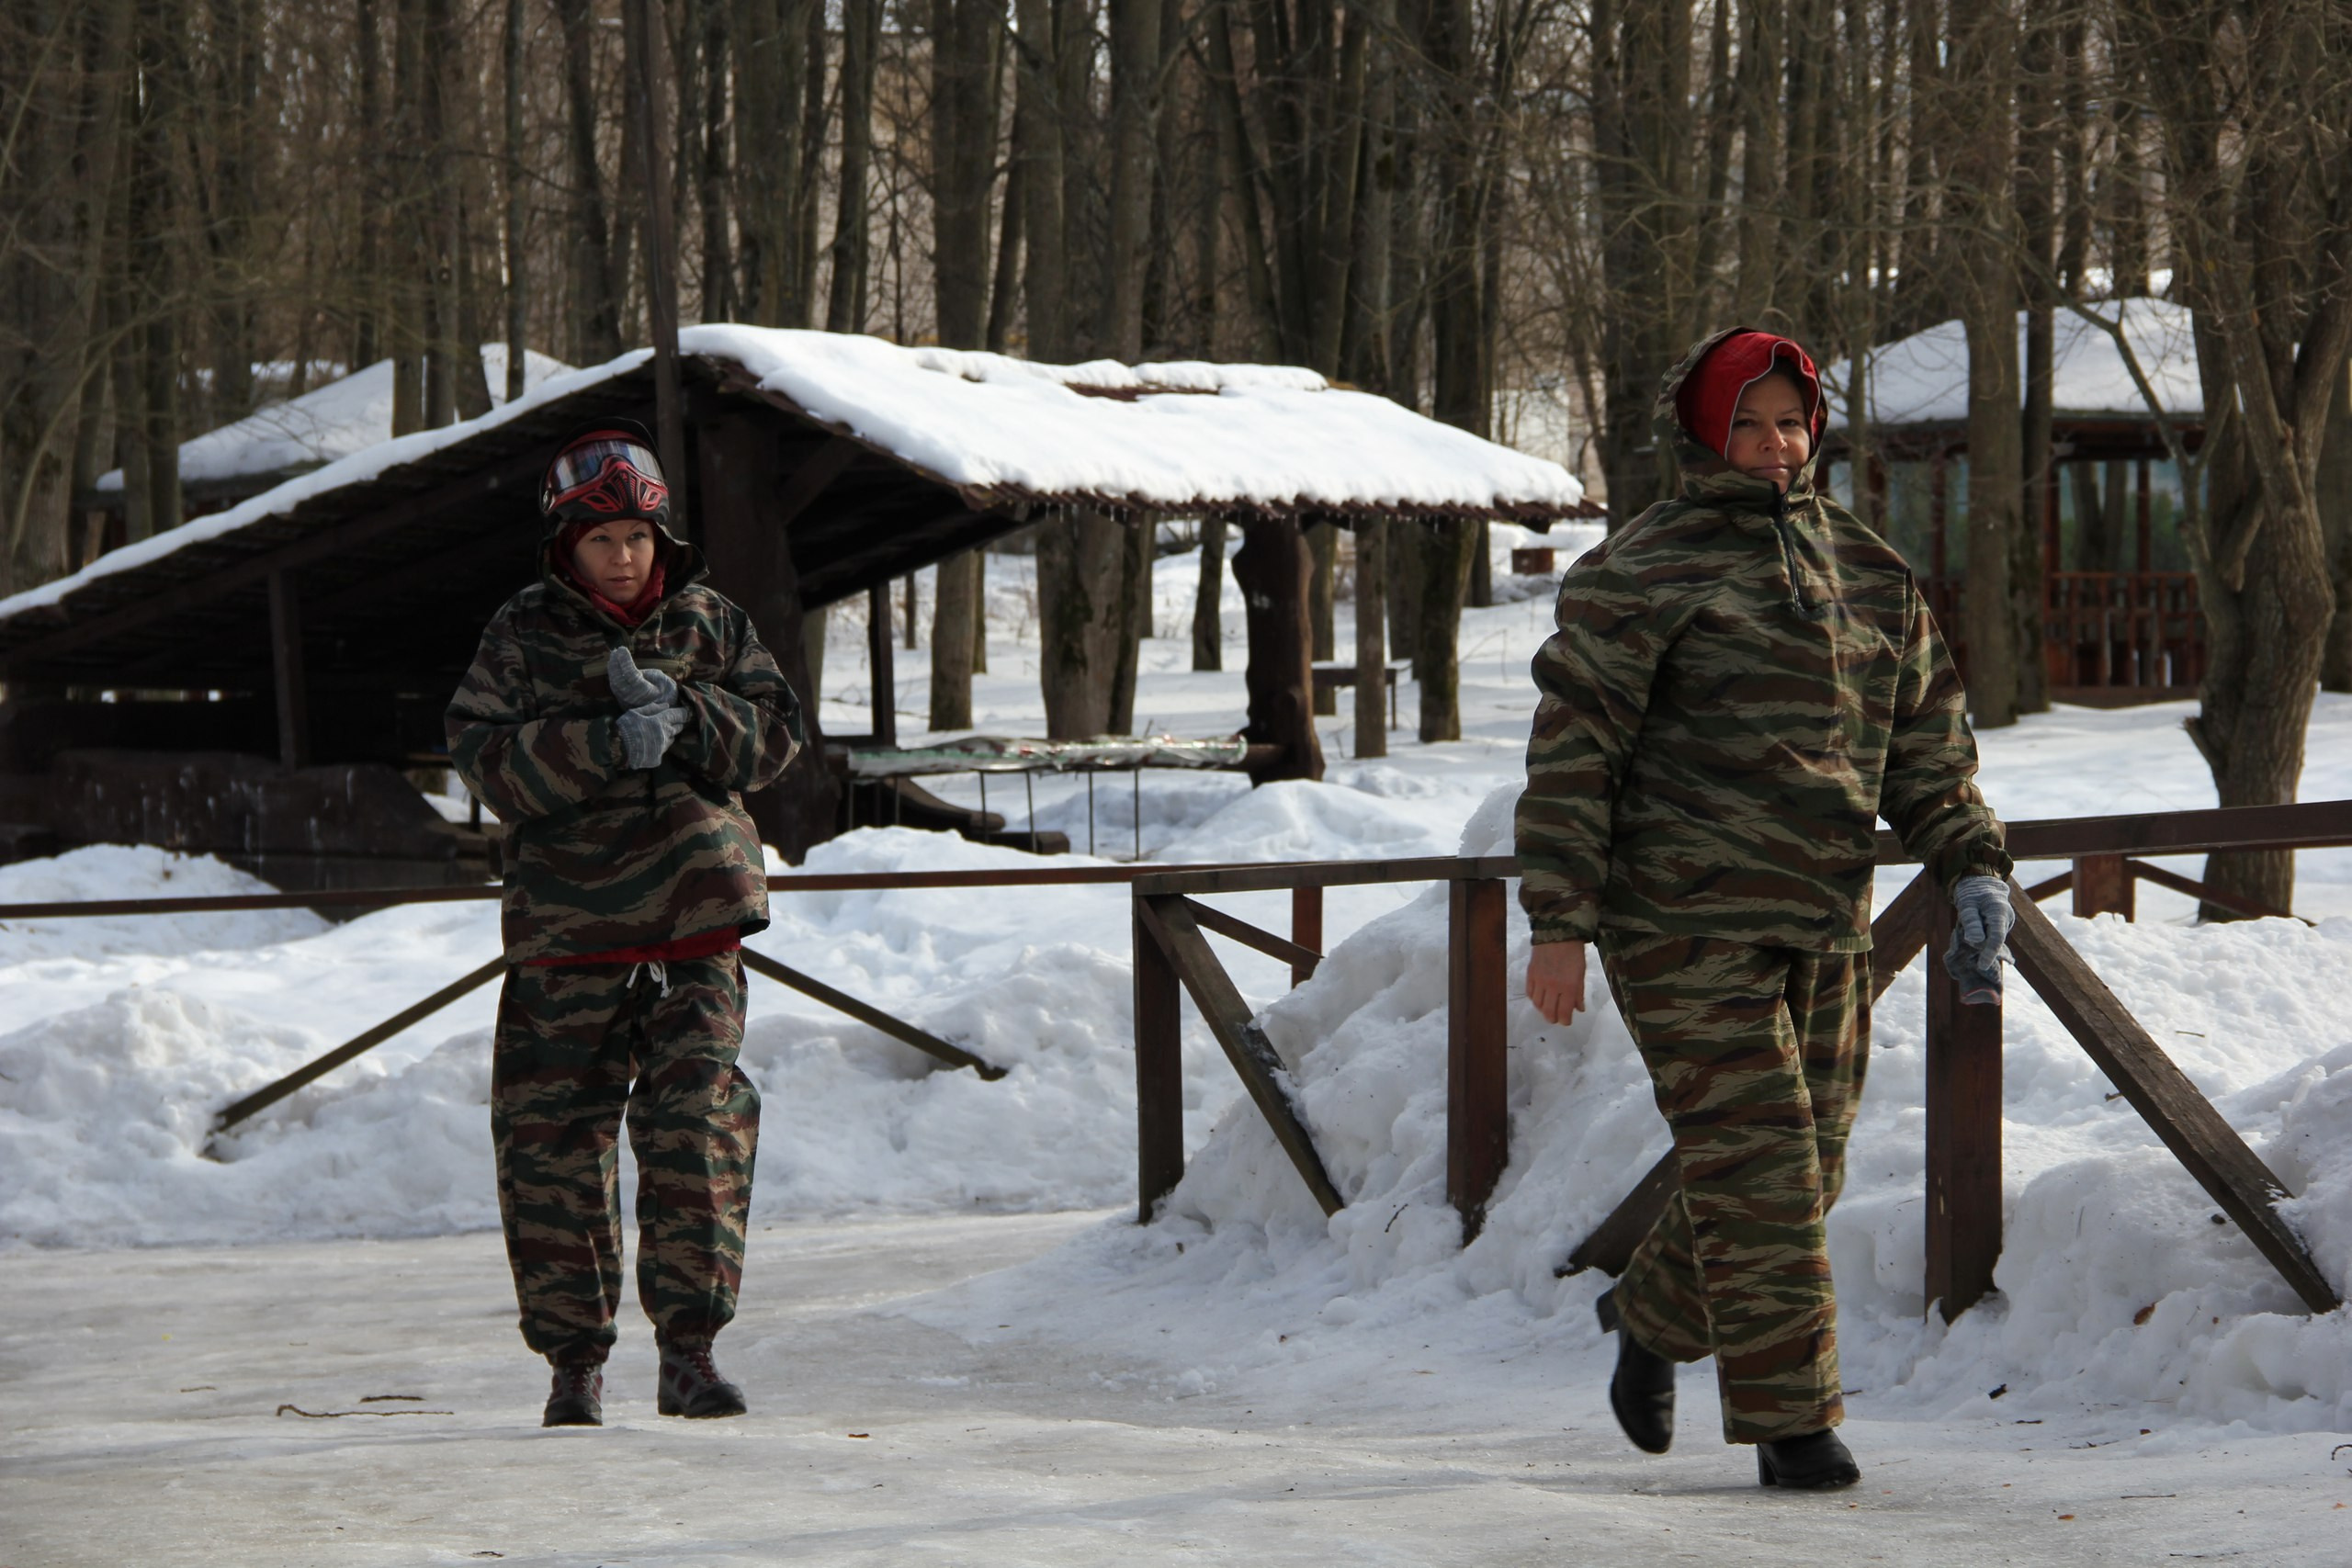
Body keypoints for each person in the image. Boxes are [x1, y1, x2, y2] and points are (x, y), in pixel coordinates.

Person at [1515, 329, 2013, 1490]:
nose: (1774, 444)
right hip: (1678, 921)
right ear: (1704, 431)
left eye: (1791, 423)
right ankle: (1796, 1431)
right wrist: (1559, 919)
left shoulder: (1869, 572)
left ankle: (1650, 1315)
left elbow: (1926, 749)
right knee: (1765, 1170)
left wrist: (1972, 864)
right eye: (1747, 423)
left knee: (1805, 1170)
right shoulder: (1642, 571)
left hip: (1824, 918)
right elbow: (1576, 752)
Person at [448, 419, 804, 1427]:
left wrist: (691, 715)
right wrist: (602, 740)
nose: (621, 557)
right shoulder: (522, 633)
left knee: (697, 1134)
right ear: (567, 545)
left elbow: (777, 739)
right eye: (601, 539)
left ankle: (690, 1354)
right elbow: (484, 761)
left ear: (660, 539)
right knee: (553, 1146)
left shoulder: (709, 622)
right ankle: (574, 1366)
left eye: (636, 538)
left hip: (696, 930)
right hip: (569, 937)